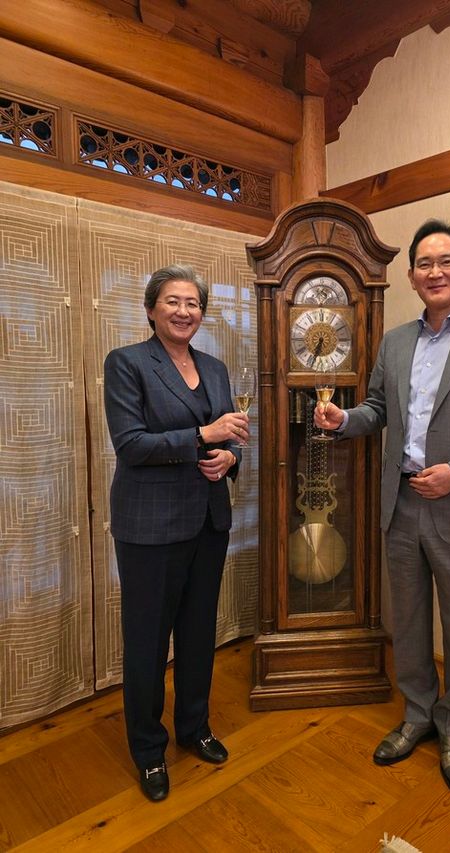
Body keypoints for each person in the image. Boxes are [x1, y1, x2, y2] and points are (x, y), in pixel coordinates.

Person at [315, 220, 450, 792]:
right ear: (411, 276)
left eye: (446, 261)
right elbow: (377, 409)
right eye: (424, 264)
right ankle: (417, 715)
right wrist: (343, 419)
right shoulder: (395, 342)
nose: (435, 272)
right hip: (403, 504)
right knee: (407, 621)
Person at [103, 264, 249, 802]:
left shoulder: (214, 367)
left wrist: (228, 458)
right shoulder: (127, 363)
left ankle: (194, 727)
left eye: (193, 303)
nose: (184, 311)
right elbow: (131, 445)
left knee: (197, 633)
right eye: (173, 301)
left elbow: (230, 439)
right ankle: (148, 751)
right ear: (151, 309)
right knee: (147, 642)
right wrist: (204, 435)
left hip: (208, 520)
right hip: (149, 526)